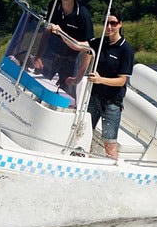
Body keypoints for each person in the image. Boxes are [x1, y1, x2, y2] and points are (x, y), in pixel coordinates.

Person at [50, 9, 134, 159]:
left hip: (112, 102)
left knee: (109, 143)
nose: (109, 27)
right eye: (106, 23)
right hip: (94, 98)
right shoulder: (99, 42)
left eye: (113, 23)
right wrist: (60, 32)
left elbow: (122, 80)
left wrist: (100, 80)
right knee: (85, 135)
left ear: (120, 24)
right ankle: (86, 163)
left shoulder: (125, 50)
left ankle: (114, 169)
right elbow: (77, 45)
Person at [34, 0, 94, 95]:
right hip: (50, 54)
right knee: (36, 87)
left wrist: (79, 77)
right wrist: (38, 55)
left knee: (67, 97)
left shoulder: (83, 15)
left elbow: (89, 49)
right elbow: (47, 31)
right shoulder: (54, 6)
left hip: (71, 60)